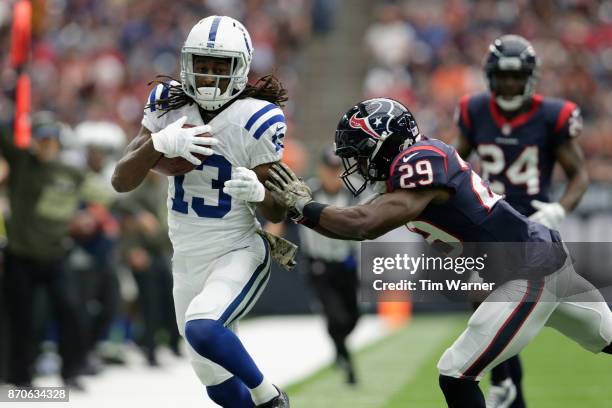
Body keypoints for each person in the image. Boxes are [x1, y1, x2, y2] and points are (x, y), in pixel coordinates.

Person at [260, 97, 612, 408]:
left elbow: (365, 224)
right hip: (542, 257)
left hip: (527, 270)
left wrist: (302, 208)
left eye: (362, 155)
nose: (359, 167)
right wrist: (298, 212)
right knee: (606, 337)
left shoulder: (419, 161)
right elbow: (360, 224)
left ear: (386, 145)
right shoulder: (417, 162)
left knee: (455, 372)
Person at [112, 16, 290, 408]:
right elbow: (121, 180)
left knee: (205, 329)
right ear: (187, 63)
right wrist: (157, 141)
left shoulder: (257, 118)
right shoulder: (168, 103)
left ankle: (270, 398)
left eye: (220, 66)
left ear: (241, 67)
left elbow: (276, 211)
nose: (209, 76)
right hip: (186, 257)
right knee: (217, 386)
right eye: (202, 65)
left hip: (236, 248)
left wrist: (259, 191)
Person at [452, 34, 590, 408]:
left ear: (530, 77)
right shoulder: (474, 110)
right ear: (489, 76)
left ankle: (503, 384)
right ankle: (505, 385)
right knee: (485, 300)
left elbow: (579, 174)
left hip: (532, 226)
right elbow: (454, 165)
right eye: (503, 76)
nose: (510, 84)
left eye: (516, 76)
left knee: (501, 303)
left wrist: (559, 208)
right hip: (491, 220)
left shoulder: (551, 115)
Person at [1, 112, 87, 389]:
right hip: (21, 254)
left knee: (70, 311)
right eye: (42, 139)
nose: (47, 145)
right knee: (21, 318)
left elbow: (98, 193)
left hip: (55, 254)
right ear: (32, 141)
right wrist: (17, 113)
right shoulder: (21, 163)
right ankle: (19, 375)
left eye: (52, 140)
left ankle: (71, 371)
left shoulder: (70, 170)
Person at [299, 148, 359, 384]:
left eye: (337, 170)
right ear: (321, 170)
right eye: (329, 170)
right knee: (336, 317)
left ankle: (338, 346)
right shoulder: (308, 192)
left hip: (346, 263)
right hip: (319, 265)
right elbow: (283, 217)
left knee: (353, 316)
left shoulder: (353, 191)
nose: (333, 175)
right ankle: (346, 360)